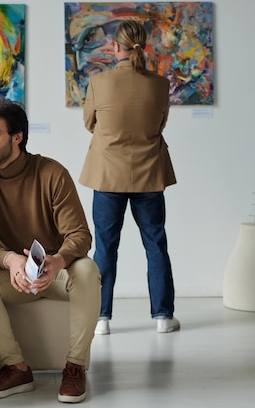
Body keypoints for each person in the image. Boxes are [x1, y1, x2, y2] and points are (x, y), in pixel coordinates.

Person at [0, 98, 101, 404]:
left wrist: (58, 260)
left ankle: (75, 366)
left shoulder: (52, 173)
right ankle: (15, 368)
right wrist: (12, 259)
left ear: (17, 137)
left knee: (87, 269)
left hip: (57, 273)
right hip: (14, 277)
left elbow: (79, 234)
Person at [79, 20, 180, 335]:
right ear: (143, 46)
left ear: (115, 47)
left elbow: (88, 122)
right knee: (156, 244)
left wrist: (112, 135)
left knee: (106, 247)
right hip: (149, 174)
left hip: (108, 175)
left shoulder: (99, 81)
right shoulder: (160, 84)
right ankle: (163, 317)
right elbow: (159, 125)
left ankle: (100, 318)